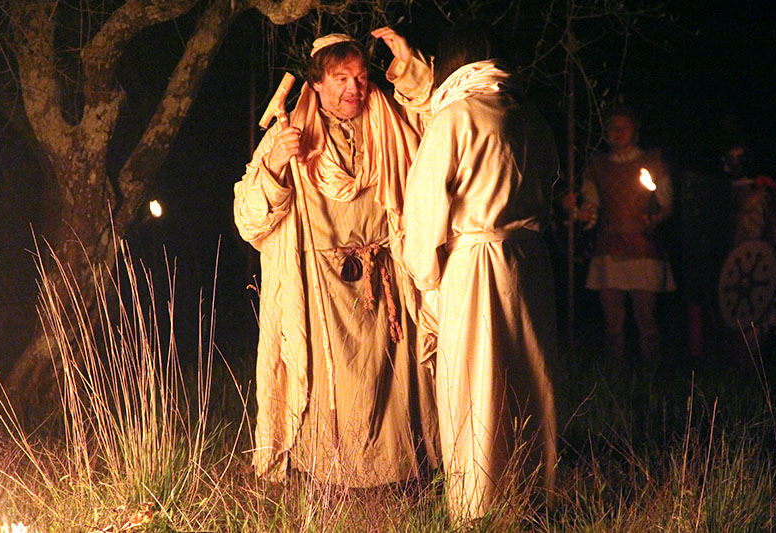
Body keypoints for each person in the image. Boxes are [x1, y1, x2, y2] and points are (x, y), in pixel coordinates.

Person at [233, 30, 440, 487]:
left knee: (390, 378)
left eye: (362, 77)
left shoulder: (388, 123)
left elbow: (435, 124)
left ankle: (398, 473)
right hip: (320, 289)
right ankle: (328, 476)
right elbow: (249, 222)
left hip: (384, 278)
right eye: (341, 77)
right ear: (318, 84)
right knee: (332, 384)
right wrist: (274, 167)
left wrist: (408, 65)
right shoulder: (290, 132)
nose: (354, 88)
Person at [401, 21, 558, 521]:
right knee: (528, 381)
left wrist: (426, 281)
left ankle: (479, 507)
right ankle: (534, 496)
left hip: (476, 265)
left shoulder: (456, 117)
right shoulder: (529, 115)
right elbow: (550, 184)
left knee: (475, 383)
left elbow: (425, 209)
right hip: (530, 265)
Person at [565, 105, 675, 364]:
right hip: (609, 247)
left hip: (643, 248)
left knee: (646, 319)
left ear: (634, 130)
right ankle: (614, 379)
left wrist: (656, 218)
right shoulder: (598, 165)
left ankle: (653, 377)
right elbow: (591, 209)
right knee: (613, 322)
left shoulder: (652, 162)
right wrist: (578, 212)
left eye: (622, 127)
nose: (616, 133)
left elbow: (666, 204)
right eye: (611, 128)